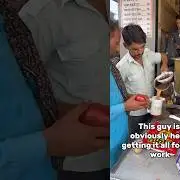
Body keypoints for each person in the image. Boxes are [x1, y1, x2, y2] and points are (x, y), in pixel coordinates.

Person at [0, 2, 107, 180]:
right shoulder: (44, 12)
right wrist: (47, 143)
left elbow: (26, 93)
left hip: (110, 149)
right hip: (77, 164)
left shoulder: (8, 19)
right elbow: (27, 80)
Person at [109, 22, 149, 168]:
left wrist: (132, 96)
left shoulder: (110, 67)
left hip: (122, 136)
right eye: (116, 42)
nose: (117, 46)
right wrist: (125, 106)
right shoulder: (119, 66)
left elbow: (119, 94)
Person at [116, 24, 169, 135]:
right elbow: (119, 94)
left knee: (152, 137)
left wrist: (164, 66)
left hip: (152, 110)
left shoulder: (148, 54)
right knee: (136, 143)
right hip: (135, 115)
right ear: (125, 46)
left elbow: (163, 56)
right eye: (135, 49)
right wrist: (138, 99)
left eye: (142, 47)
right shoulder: (122, 67)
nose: (140, 52)